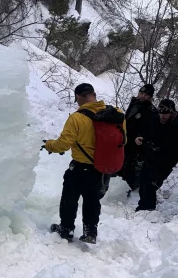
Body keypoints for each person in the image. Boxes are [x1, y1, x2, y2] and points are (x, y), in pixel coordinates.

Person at [43, 83, 126, 244]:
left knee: (69, 198)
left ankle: (66, 229)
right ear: (94, 94)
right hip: (101, 168)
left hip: (80, 167)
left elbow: (64, 144)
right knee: (92, 200)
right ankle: (90, 232)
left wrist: (49, 145)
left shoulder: (77, 117)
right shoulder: (116, 114)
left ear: (78, 97)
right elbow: (124, 140)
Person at [136, 99, 178, 211]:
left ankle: (148, 210)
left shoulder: (176, 125)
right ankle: (142, 207)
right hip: (150, 157)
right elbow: (145, 131)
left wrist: (164, 151)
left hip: (165, 162)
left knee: (151, 185)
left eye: (166, 114)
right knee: (143, 182)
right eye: (161, 113)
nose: (163, 116)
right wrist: (141, 138)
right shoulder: (155, 118)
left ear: (172, 112)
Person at [120, 84, 157, 192]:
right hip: (125, 138)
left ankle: (127, 188)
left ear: (149, 97)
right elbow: (127, 119)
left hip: (137, 143)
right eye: (141, 93)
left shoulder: (151, 111)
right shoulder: (134, 103)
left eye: (145, 95)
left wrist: (141, 138)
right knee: (120, 161)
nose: (141, 96)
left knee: (130, 165)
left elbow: (150, 130)